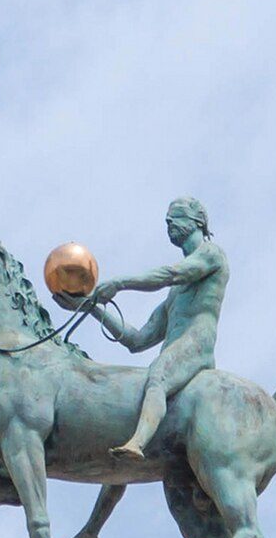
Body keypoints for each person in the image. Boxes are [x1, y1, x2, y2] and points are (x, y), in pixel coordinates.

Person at [89, 198, 228, 464]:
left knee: (158, 378)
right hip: (173, 351)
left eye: (175, 216)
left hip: (196, 345)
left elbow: (172, 274)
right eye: (167, 218)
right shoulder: (175, 296)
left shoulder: (212, 255)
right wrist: (92, 307)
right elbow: (137, 340)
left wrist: (119, 283)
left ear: (198, 221)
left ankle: (137, 443)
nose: (168, 222)